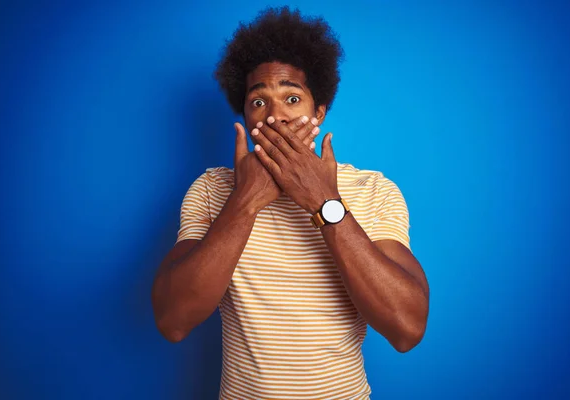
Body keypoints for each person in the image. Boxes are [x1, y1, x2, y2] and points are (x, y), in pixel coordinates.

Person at [151, 6, 429, 399]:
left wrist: (324, 201)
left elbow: (407, 327)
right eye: (259, 102)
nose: (275, 116)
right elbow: (172, 320)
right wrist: (244, 202)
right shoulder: (213, 190)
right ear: (245, 117)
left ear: (318, 113)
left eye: (292, 98)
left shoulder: (372, 191)